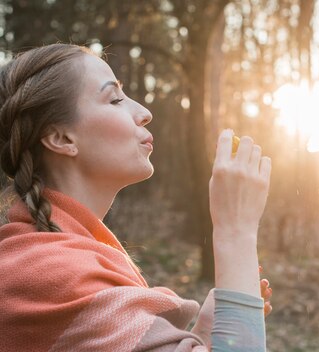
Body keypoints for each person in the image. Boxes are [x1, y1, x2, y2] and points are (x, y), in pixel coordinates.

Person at [0, 43, 272, 351]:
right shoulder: (49, 275)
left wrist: (208, 334)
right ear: (61, 138)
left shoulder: (49, 263)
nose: (144, 113)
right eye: (114, 99)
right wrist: (236, 232)